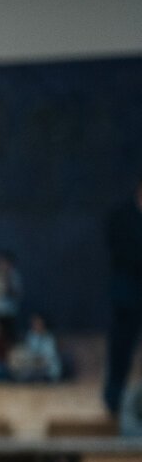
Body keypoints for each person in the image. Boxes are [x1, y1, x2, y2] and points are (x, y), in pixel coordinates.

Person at [103, 176, 142, 417]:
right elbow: (120, 251)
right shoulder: (121, 216)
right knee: (121, 348)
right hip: (128, 294)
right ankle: (113, 399)